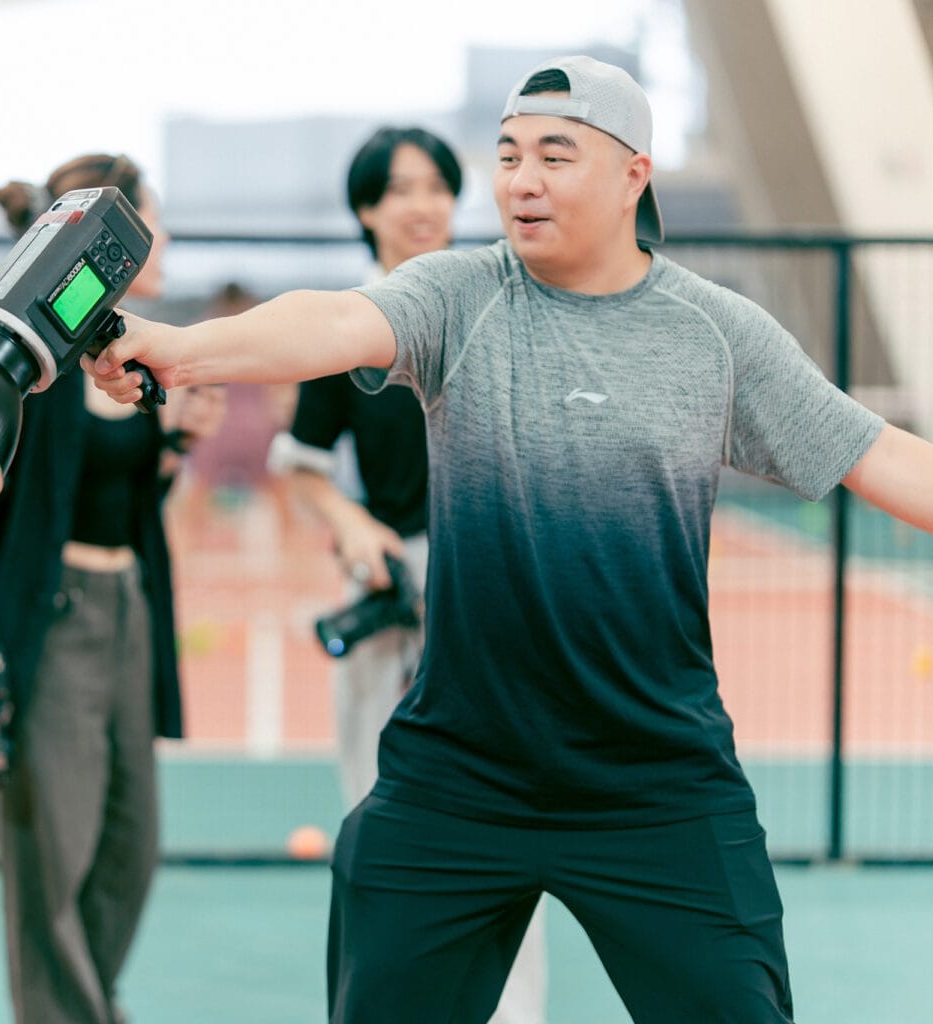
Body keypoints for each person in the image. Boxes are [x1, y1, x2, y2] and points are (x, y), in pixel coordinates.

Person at [85, 55, 933, 1022]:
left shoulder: (716, 334)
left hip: (656, 782)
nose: (522, 181)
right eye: (508, 156)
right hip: (459, 776)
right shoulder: (456, 296)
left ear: (633, 175)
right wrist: (180, 346)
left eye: (555, 155)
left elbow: (875, 451)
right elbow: (334, 322)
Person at [0, 153, 225, 1024]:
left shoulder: (127, 357)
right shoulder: (25, 357)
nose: (165, 236)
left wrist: (176, 444)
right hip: (47, 622)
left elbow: (125, 503)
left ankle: (79, 1009)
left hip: (128, 610)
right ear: (114, 238)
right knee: (49, 860)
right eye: (153, 219)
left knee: (130, 849)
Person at [267, 125, 545, 1024]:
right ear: (366, 209)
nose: (423, 205)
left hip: (497, 591)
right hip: (392, 595)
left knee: (512, 823)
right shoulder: (344, 326)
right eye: (400, 189)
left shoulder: (506, 306)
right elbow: (301, 466)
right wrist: (353, 524)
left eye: (436, 186)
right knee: (381, 823)